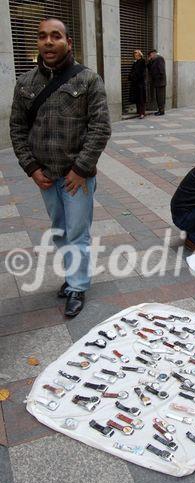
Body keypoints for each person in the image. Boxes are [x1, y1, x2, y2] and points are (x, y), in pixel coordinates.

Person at [10, 18, 111, 317]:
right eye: (42, 37)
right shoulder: (26, 83)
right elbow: (17, 128)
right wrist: (31, 167)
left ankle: (77, 286)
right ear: (38, 43)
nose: (48, 42)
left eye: (56, 36)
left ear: (68, 42)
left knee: (77, 232)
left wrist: (80, 169)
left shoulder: (88, 80)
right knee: (60, 231)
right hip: (45, 175)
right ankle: (71, 277)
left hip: (75, 177)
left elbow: (101, 128)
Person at [147, 49, 166, 116]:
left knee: (160, 97)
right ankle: (160, 110)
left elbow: (161, 70)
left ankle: (161, 111)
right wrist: (149, 61)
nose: (150, 56)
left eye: (150, 55)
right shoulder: (153, 60)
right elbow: (149, 68)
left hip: (160, 82)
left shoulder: (160, 59)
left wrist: (158, 78)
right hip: (157, 82)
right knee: (158, 96)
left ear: (154, 53)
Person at [129, 49, 146, 119]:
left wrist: (135, 76)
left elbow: (141, 72)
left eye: (136, 55)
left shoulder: (142, 61)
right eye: (134, 55)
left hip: (140, 83)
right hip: (135, 83)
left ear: (139, 55)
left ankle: (142, 113)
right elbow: (132, 71)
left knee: (141, 98)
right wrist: (131, 77)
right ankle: (139, 111)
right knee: (137, 98)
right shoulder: (135, 62)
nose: (135, 56)